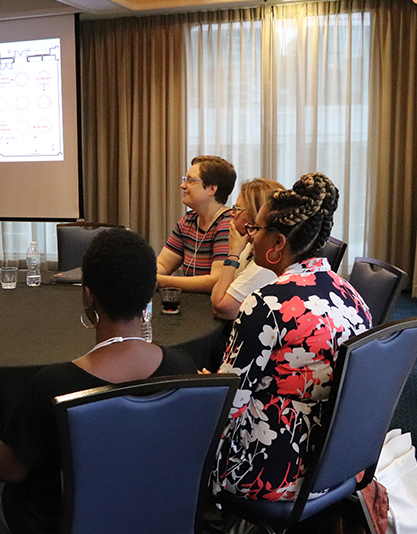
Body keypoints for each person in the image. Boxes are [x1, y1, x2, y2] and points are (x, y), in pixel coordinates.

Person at [0, 228, 197, 534]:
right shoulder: (183, 367)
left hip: (67, 522)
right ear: (150, 295)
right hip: (157, 517)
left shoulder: (52, 384)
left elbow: (9, 469)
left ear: (87, 294)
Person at [213, 173, 372, 501]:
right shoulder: (351, 293)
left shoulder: (266, 303)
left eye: (256, 229)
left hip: (275, 468)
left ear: (277, 244)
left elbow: (228, 405)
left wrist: (208, 388)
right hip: (339, 460)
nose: (249, 236)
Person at [157, 155, 236, 293]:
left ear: (212, 189)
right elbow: (163, 264)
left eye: (191, 181)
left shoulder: (227, 224)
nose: (183, 186)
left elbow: (215, 280)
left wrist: (162, 281)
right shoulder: (188, 220)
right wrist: (149, 274)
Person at [211, 178, 285, 320]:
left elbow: (221, 307)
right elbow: (221, 289)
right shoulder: (251, 245)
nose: (232, 214)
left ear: (257, 214)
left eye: (237, 209)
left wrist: (233, 254)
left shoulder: (268, 261)